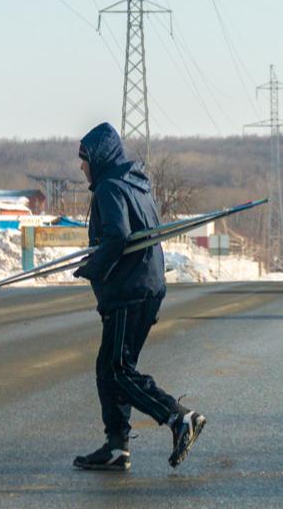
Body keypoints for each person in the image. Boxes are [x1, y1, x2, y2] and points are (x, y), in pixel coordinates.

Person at [70, 122, 206, 472]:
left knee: (116, 370)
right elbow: (128, 239)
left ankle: (178, 418)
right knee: (110, 368)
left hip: (128, 291)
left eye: (84, 159)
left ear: (98, 158)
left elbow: (116, 238)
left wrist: (94, 267)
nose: (81, 166)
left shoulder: (109, 188)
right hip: (145, 286)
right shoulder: (135, 184)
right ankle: (117, 448)